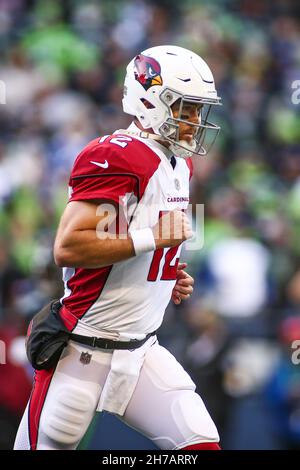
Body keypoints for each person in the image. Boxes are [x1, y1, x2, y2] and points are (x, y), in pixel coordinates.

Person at [14, 45, 222, 450]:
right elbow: (70, 246)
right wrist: (153, 241)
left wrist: (164, 274)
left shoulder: (179, 163)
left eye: (198, 109)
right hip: (83, 350)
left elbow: (141, 239)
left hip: (142, 351)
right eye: (185, 106)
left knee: (201, 443)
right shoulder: (115, 155)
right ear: (149, 101)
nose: (194, 121)